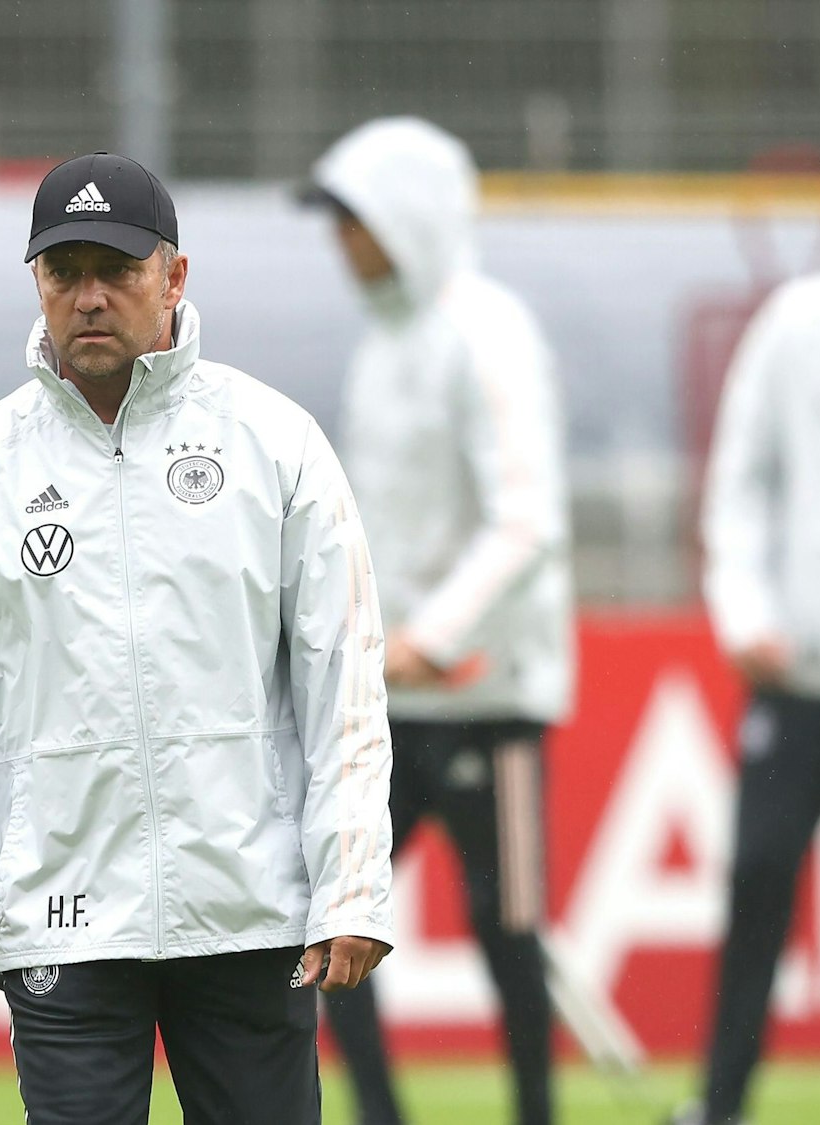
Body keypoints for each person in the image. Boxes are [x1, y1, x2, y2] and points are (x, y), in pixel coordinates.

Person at [0, 151, 395, 1125]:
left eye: (117, 268)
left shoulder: (273, 444)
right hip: (60, 912)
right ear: (37, 284)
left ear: (173, 276)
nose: (91, 296)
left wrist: (350, 884)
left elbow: (340, 684)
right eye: (65, 273)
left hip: (246, 910)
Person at [303, 117, 574, 1125]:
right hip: (386, 699)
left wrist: (438, 636)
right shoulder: (379, 344)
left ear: (400, 217)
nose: (340, 243)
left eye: (351, 220)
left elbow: (525, 518)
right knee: (327, 910)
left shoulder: (487, 330)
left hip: (489, 695)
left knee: (506, 933)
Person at [671, 271, 820, 1125]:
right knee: (761, 873)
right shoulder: (796, 320)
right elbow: (741, 482)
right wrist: (747, 612)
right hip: (797, 674)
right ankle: (723, 1101)